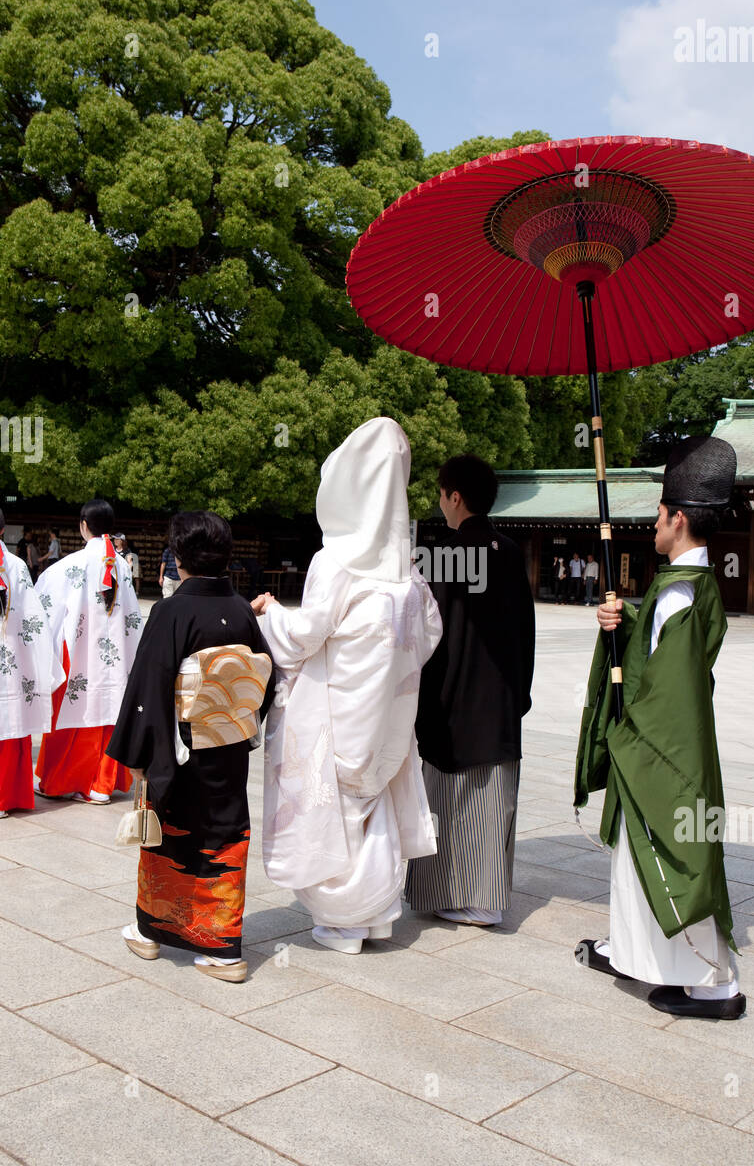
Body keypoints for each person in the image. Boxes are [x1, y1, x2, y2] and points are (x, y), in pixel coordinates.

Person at [256, 417, 443, 955]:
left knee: (332, 811)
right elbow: (429, 635)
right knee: (373, 802)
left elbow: (303, 637)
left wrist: (271, 613)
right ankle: (376, 916)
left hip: (337, 709)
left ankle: (343, 921)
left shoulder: (335, 561)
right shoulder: (407, 572)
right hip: (388, 712)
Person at [574, 435, 745, 1020]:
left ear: (678, 519)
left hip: (664, 750)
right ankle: (633, 953)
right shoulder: (694, 585)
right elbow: (662, 648)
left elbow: (666, 691)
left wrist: (627, 737)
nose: (652, 523)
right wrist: (622, 619)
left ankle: (715, 985)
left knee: (675, 855)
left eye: (658, 513)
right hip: (677, 746)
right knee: (644, 853)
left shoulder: (677, 594)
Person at [107, 511, 276, 983]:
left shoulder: (171, 611)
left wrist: (141, 756)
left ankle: (152, 933)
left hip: (180, 750)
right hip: (227, 746)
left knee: (170, 837)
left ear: (178, 556)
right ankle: (222, 949)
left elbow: (148, 685)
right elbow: (266, 677)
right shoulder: (240, 608)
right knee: (225, 837)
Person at [406, 454, 535, 927]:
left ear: (455, 497)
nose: (440, 503)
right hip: (498, 698)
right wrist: (518, 692)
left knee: (446, 800)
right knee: (491, 801)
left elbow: (426, 634)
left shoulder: (440, 556)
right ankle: (488, 898)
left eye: (441, 494)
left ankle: (449, 893)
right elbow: (525, 630)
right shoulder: (511, 551)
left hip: (452, 695)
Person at [34, 499, 143, 804]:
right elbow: (133, 618)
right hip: (115, 657)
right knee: (110, 712)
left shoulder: (69, 566)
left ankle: (61, 782)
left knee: (71, 716)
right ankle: (100, 786)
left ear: (83, 525)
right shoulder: (122, 566)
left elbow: (45, 609)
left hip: (78, 656)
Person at [0, 508, 65, 817]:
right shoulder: (15, 566)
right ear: (3, 530)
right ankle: (4, 797)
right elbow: (34, 621)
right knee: (10, 721)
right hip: (10, 660)